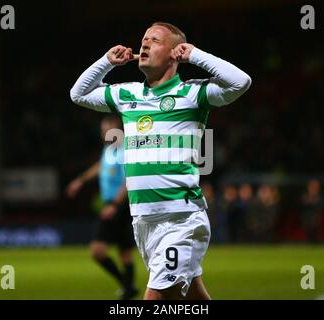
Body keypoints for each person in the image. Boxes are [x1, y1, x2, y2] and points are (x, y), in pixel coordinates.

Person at [70, 22, 251, 300]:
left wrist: (196, 55)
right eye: (143, 39)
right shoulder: (127, 94)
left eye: (154, 40)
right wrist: (106, 62)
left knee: (155, 298)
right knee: (192, 297)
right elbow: (78, 94)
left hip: (180, 218)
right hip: (144, 220)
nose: (144, 44)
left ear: (174, 53)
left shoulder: (192, 94)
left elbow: (241, 82)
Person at [66, 114, 138, 300]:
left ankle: (126, 284)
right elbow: (101, 166)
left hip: (117, 204)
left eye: (105, 129)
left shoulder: (124, 150)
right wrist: (80, 181)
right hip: (115, 204)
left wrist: (114, 204)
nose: (102, 132)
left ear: (116, 129)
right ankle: (129, 288)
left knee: (97, 252)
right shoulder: (110, 149)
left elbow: (128, 180)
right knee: (125, 251)